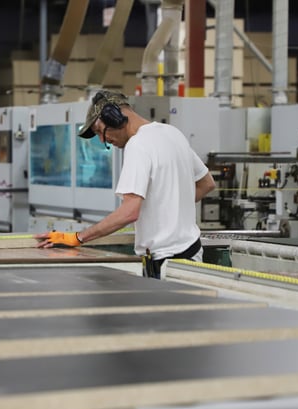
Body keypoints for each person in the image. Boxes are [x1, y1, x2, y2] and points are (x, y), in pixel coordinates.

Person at [35, 90, 217, 278]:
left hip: (166, 264)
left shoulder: (138, 145)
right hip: (193, 256)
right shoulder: (172, 133)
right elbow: (207, 183)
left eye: (100, 131)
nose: (103, 140)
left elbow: (129, 212)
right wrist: (169, 209)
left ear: (114, 117)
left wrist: (77, 237)